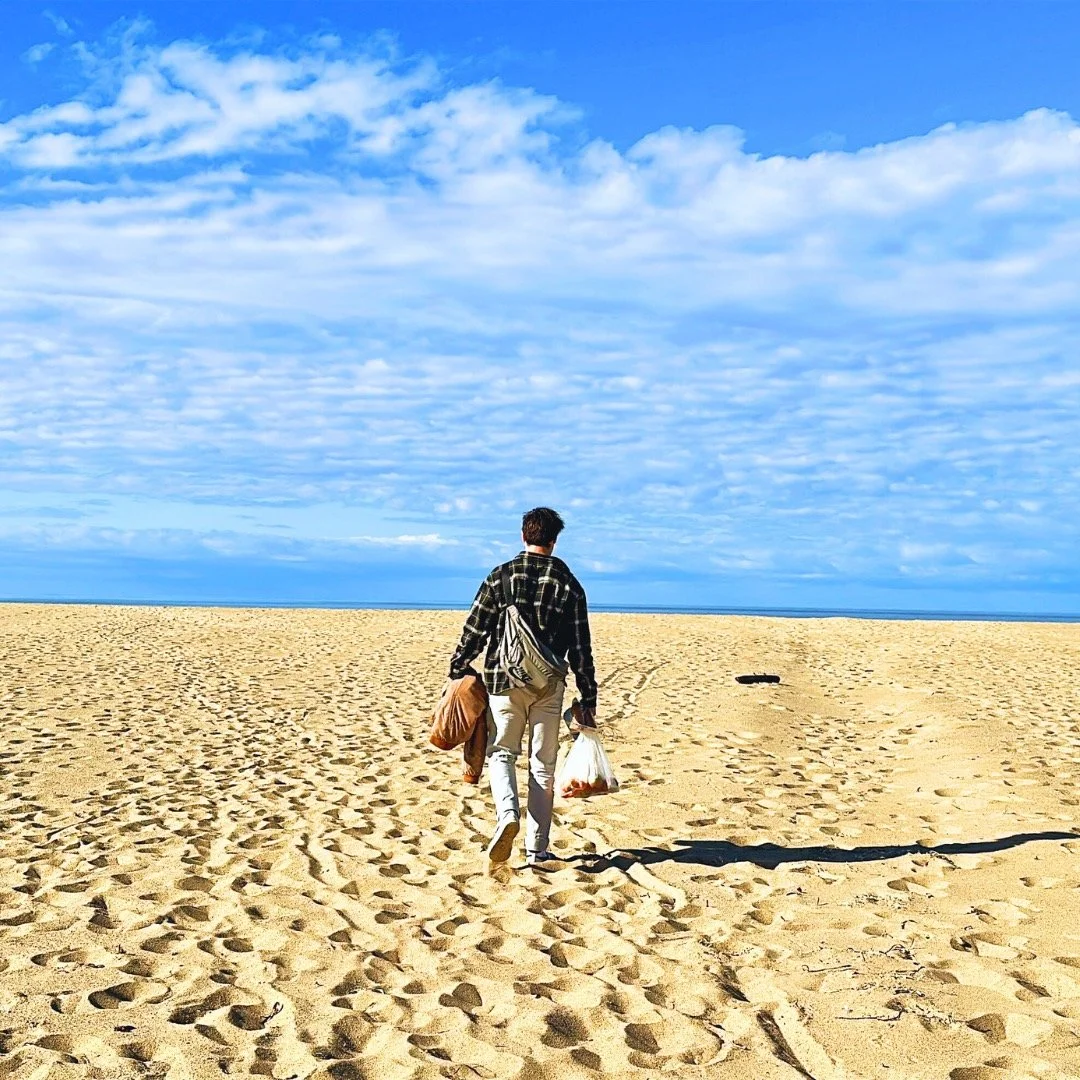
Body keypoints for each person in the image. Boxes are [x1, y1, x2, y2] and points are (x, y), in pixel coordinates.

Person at [448, 507, 597, 867]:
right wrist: (588, 694)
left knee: (502, 753)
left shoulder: (501, 576)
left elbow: (477, 627)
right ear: (554, 539)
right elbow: (580, 645)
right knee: (542, 766)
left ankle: (507, 816)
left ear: (523, 535)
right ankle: (538, 848)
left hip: (504, 681)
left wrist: (459, 665)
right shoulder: (569, 584)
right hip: (548, 684)